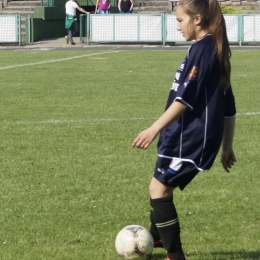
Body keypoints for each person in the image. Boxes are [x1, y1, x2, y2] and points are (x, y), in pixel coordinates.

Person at [132, 0, 236, 259]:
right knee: (158, 187)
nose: (177, 26)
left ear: (197, 19)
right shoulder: (212, 48)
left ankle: (175, 255)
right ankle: (157, 236)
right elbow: (229, 107)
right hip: (182, 135)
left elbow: (185, 99)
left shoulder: (204, 49)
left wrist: (153, 128)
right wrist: (227, 146)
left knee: (158, 189)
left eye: (180, 20)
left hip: (190, 137)